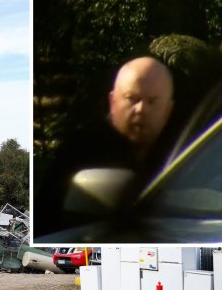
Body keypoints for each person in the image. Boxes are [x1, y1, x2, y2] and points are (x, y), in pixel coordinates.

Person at [33, 56, 174, 237]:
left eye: (152, 101)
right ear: (112, 102)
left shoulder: (188, 153)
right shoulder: (81, 151)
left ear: (168, 109)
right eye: (132, 98)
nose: (141, 109)